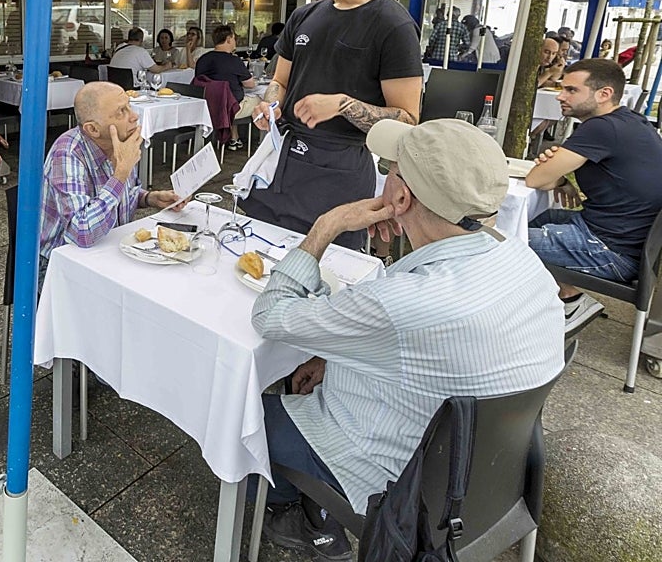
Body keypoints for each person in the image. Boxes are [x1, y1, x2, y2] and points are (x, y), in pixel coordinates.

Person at [253, 119, 564, 559]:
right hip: (488, 476)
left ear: (400, 196)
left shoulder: (403, 300)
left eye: (390, 168)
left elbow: (270, 315)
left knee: (244, 414)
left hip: (401, 487)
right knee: (309, 372)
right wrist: (333, 356)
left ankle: (301, 515)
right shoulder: (523, 261)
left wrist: (328, 225)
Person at [244, 0, 423, 250]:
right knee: (250, 254)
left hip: (340, 173)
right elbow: (279, 81)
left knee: (324, 277)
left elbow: (408, 118)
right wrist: (269, 103)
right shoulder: (304, 16)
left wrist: (342, 104)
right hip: (281, 160)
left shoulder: (394, 26)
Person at [525, 59, 662, 332]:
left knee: (504, 239)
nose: (561, 96)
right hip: (626, 239)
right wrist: (561, 176)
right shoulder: (630, 120)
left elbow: (536, 179)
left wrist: (554, 170)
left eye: (571, 90)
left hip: (610, 250)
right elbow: (548, 180)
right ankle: (556, 297)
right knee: (537, 217)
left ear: (604, 94)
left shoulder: (601, 128)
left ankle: (570, 300)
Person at [40, 82, 184, 269]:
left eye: (129, 106)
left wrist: (150, 198)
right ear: (93, 129)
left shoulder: (120, 142)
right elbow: (81, 233)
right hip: (60, 263)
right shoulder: (68, 153)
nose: (134, 116)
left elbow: (120, 195)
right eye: (121, 112)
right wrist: (121, 172)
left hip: (111, 247)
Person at [195, 25, 260, 150]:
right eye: (234, 38)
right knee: (262, 99)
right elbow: (250, 84)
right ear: (229, 39)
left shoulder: (202, 60)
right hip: (230, 108)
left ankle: (234, 139)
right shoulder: (234, 61)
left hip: (207, 107)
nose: (235, 41)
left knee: (228, 96)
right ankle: (265, 141)